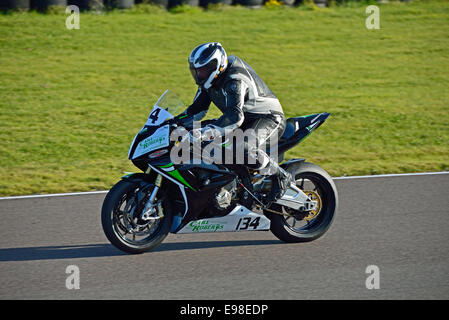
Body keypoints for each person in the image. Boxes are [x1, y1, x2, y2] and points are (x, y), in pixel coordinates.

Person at [178, 42, 294, 204]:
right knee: (198, 140)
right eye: (197, 71)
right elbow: (196, 110)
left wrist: (207, 132)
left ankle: (281, 176)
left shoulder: (234, 80)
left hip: (267, 118)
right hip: (240, 120)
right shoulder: (208, 81)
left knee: (244, 148)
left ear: (216, 66)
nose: (200, 74)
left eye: (203, 70)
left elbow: (235, 116)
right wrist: (173, 123)